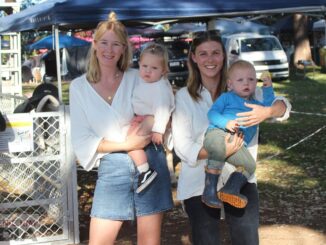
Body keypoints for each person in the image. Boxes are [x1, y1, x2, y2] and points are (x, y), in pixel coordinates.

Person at [172, 30, 291, 245]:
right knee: (207, 239)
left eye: (216, 53)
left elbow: (284, 106)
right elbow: (182, 145)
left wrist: (267, 112)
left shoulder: (244, 87)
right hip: (199, 180)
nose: (210, 59)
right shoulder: (184, 96)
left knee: (247, 238)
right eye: (203, 53)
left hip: (240, 178)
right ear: (194, 57)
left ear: (224, 55)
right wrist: (221, 151)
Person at [69, 12, 173, 245]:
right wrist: (127, 144)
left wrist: (152, 124)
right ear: (94, 45)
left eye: (116, 44)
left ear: (124, 48)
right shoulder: (79, 88)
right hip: (113, 165)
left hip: (151, 163)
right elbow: (82, 139)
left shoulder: (140, 76)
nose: (109, 49)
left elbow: (166, 102)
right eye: (104, 42)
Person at [202, 61, 275, 209]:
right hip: (218, 133)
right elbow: (212, 113)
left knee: (250, 165)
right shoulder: (226, 97)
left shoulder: (256, 106)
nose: (246, 83)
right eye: (240, 80)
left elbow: (269, 107)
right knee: (217, 147)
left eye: (251, 79)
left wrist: (268, 88)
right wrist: (225, 123)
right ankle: (209, 191)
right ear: (230, 84)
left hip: (238, 144)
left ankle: (230, 189)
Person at [129, 42, 175, 193]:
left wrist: (158, 130)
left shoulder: (160, 87)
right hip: (141, 118)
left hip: (151, 121)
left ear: (163, 71)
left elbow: (163, 109)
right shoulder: (142, 81)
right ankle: (143, 169)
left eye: (154, 68)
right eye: (144, 66)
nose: (148, 71)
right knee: (129, 142)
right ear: (139, 65)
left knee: (130, 142)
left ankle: (145, 170)